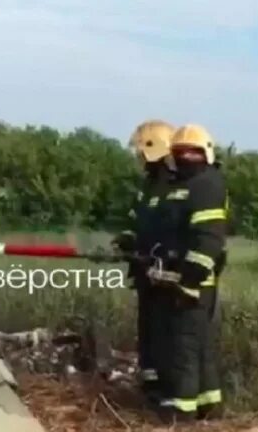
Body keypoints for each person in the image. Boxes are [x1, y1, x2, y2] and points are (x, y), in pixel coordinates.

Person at [148, 123, 228, 423]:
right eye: (180, 152)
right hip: (177, 277)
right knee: (199, 346)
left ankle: (181, 411)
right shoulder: (182, 185)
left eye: (192, 152)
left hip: (194, 282)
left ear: (206, 154)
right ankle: (210, 404)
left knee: (183, 347)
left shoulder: (206, 185)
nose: (186, 157)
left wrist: (190, 280)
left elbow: (209, 239)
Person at [112, 120, 176, 400]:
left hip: (164, 274)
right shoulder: (148, 185)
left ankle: (165, 385)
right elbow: (135, 221)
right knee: (147, 328)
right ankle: (149, 382)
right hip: (144, 271)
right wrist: (125, 240)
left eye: (142, 151)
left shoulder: (175, 185)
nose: (140, 158)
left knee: (165, 330)